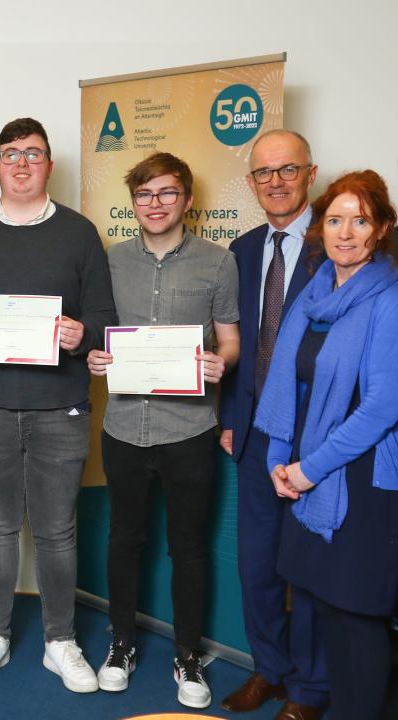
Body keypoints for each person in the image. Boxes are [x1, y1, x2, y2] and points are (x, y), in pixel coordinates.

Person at [0, 118, 117, 692]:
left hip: (59, 406)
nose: (21, 164)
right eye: (10, 154)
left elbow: (103, 318)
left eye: (33, 154)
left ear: (48, 164)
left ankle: (59, 641)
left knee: (57, 531)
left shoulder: (80, 233)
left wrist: (80, 333)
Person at [87, 153, 240, 709]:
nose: (155, 204)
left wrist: (222, 362)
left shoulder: (218, 263)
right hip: (125, 425)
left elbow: (230, 341)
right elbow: (98, 339)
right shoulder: (110, 262)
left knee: (189, 548)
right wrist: (95, 360)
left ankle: (187, 655)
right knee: (124, 541)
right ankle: (121, 645)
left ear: (188, 200)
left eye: (167, 193)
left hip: (189, 430)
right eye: (145, 194)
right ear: (133, 203)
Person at [255, 170, 398, 720]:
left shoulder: (387, 299)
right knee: (322, 604)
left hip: (361, 481)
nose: (345, 232)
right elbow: (288, 386)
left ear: (382, 228)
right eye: (335, 219)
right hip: (309, 470)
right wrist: (276, 459)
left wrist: (307, 470)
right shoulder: (316, 294)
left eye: (360, 220)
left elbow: (384, 407)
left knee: (355, 615)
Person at [220, 130, 328, 720]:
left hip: (318, 438)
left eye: (288, 169)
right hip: (257, 431)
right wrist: (231, 419)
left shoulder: (338, 242)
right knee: (257, 562)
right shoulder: (240, 250)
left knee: (307, 566)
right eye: (264, 173)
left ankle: (310, 688)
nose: (277, 181)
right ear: (252, 182)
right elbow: (236, 343)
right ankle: (271, 669)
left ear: (309, 174)